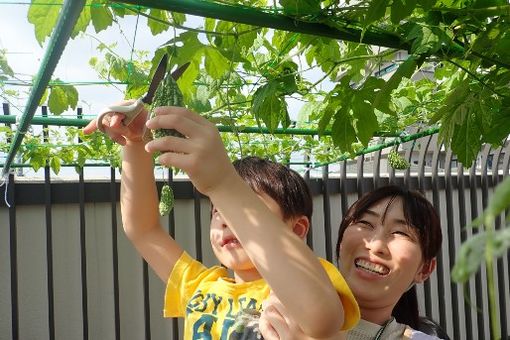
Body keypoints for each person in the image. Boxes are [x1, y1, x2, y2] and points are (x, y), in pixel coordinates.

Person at [82, 105, 360, 339]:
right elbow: (141, 229)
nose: (226, 219)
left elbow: (322, 318)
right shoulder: (199, 285)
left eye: (245, 207)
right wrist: (134, 142)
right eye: (217, 211)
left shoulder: (310, 275)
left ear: (297, 229)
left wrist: (224, 184)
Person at [258, 185, 448, 340]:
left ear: (425, 269)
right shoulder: (277, 311)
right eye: (365, 224)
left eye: (401, 232)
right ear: (341, 242)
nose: (376, 245)